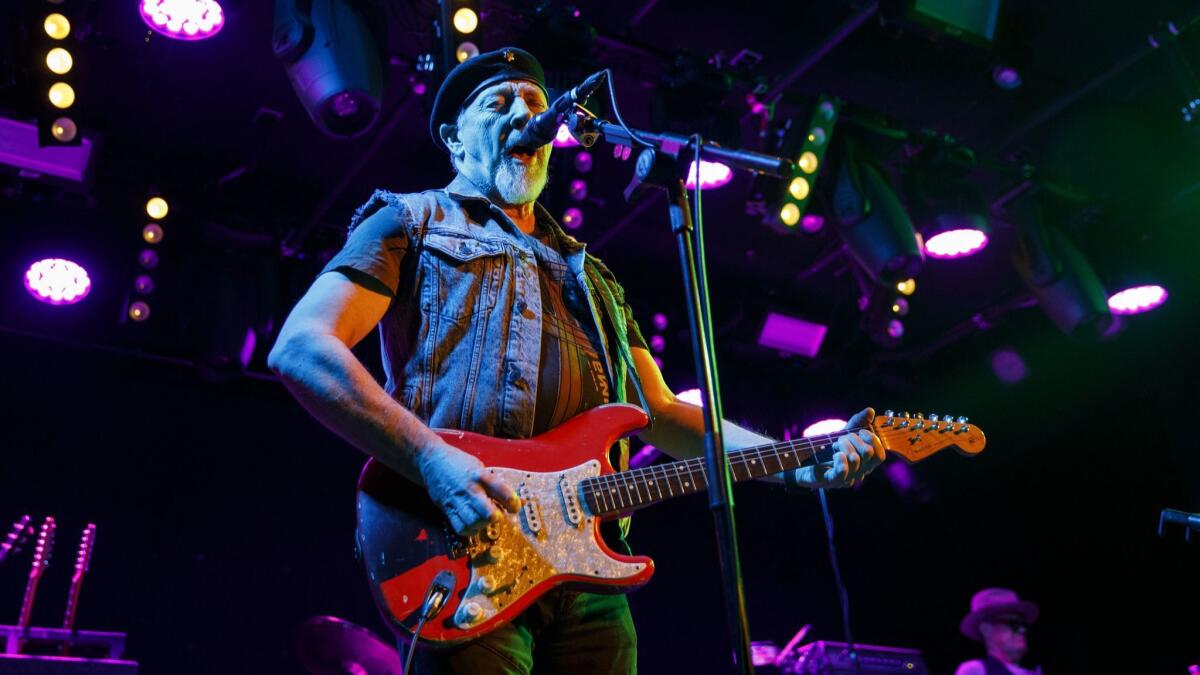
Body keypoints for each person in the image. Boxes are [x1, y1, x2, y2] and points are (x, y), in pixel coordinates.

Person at [268, 46, 885, 675]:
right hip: (464, 548)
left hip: (589, 578)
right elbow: (303, 348)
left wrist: (797, 466)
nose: (525, 114)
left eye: (536, 102)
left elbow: (663, 414)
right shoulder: (410, 221)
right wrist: (430, 457)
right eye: (499, 102)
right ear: (454, 138)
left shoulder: (596, 280)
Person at [955, 588, 1043, 675]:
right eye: (1013, 624)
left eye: (1022, 624)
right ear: (986, 629)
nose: (1022, 630)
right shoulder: (975, 669)